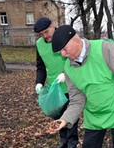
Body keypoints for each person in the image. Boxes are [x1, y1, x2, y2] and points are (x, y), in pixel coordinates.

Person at [49, 25, 114, 148]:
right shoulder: (68, 67)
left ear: (74, 40)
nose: (62, 54)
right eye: (60, 52)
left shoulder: (104, 49)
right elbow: (77, 99)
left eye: (64, 49)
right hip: (94, 116)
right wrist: (65, 119)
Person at [34, 18, 78, 148]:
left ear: (53, 26)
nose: (45, 36)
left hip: (70, 84)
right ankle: (64, 142)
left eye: (46, 32)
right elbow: (40, 66)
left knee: (70, 116)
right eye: (41, 34)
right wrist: (39, 82)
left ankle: (72, 144)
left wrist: (66, 74)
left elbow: (77, 57)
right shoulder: (39, 44)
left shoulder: (65, 35)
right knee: (58, 116)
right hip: (54, 87)